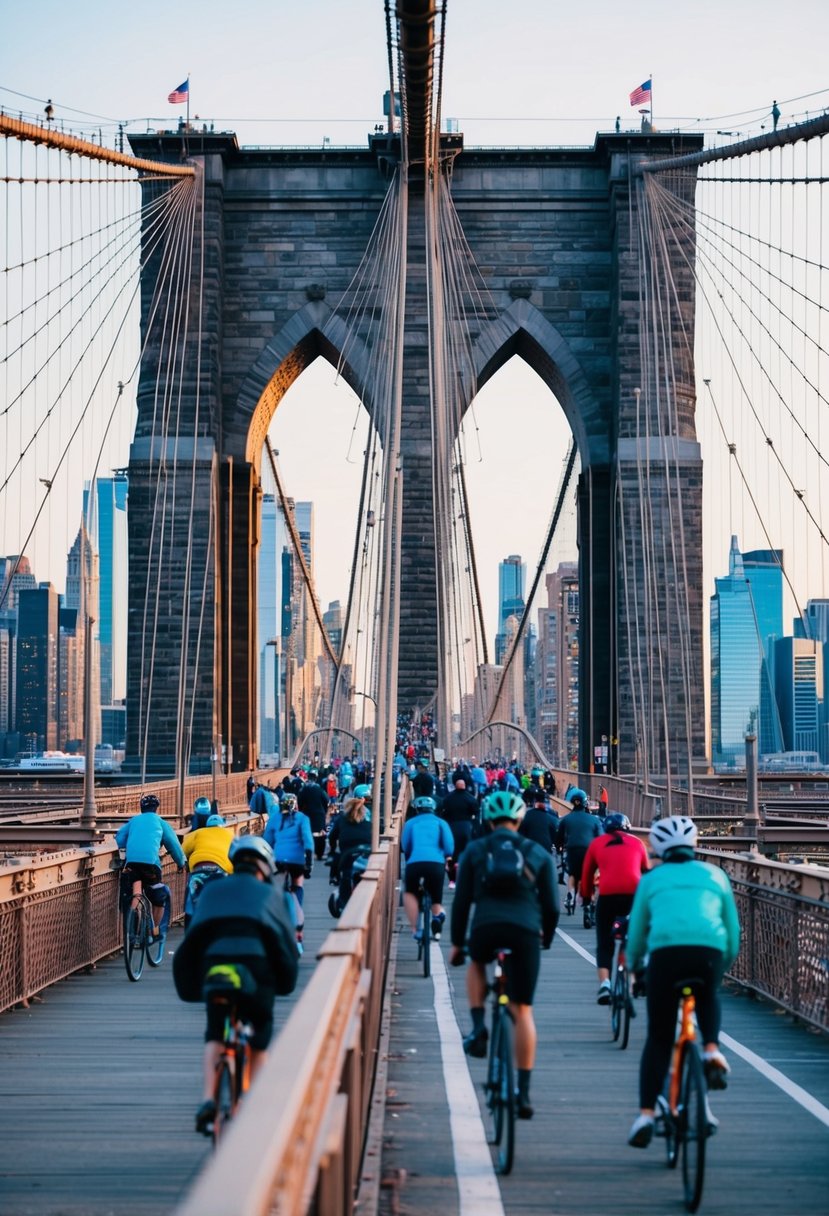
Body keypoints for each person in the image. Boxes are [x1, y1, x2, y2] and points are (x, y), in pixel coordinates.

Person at [625, 815, 740, 1149]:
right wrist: (722, 967)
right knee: (707, 995)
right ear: (695, 846)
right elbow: (732, 931)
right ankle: (711, 1050)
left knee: (660, 1039)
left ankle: (646, 1114)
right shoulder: (716, 875)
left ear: (658, 849)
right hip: (708, 953)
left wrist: (634, 968)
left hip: (665, 955)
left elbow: (636, 935)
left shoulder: (652, 879)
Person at [172, 835, 299, 1134]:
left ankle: (208, 1099)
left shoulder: (213, 890)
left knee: (215, 1033)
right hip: (257, 970)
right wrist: (285, 982)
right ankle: (253, 1106)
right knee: (259, 1035)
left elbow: (194, 938)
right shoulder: (273, 896)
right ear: (265, 868)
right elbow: (285, 946)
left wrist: (191, 986)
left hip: (215, 969)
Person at [449, 790, 559, 1119]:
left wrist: (457, 943)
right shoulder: (537, 854)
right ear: (520, 819)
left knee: (476, 962)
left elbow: (462, 901)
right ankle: (523, 1093)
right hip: (525, 933)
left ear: (488, 819)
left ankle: (479, 1026)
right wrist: (547, 937)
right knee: (522, 1010)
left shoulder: (475, 851)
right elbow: (552, 906)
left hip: (485, 928)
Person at [579, 812, 649, 1003]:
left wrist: (586, 897)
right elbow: (647, 872)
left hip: (608, 896)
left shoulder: (597, 843)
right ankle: (638, 974)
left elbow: (586, 875)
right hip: (633, 896)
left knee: (604, 942)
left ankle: (605, 985)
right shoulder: (637, 843)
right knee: (639, 934)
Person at [115, 793, 186, 940]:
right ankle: (152, 932)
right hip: (150, 865)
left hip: (131, 863)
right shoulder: (160, 822)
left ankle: (132, 931)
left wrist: (126, 848)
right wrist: (180, 863)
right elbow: (173, 845)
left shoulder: (133, 821)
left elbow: (120, 836)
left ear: (141, 808)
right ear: (156, 808)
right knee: (158, 897)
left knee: (135, 892)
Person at [264, 793, 314, 953]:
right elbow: (308, 840)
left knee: (277, 888)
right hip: (297, 861)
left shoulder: (274, 819)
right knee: (298, 885)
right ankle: (297, 911)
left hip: (278, 861)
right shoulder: (302, 818)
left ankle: (279, 915)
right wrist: (309, 863)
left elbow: (267, 841)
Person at [401, 795, 454, 941]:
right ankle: (438, 916)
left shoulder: (410, 823)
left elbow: (405, 846)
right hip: (436, 864)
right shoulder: (441, 823)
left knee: (410, 893)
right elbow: (449, 846)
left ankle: (416, 930)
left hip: (415, 863)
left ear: (417, 810)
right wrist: (445, 855)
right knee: (436, 899)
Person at [556, 787, 602, 924]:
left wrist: (559, 848)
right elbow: (601, 838)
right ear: (585, 803)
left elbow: (559, 838)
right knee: (590, 877)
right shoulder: (594, 820)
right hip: (589, 851)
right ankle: (590, 903)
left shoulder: (566, 819)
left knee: (573, 874)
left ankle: (570, 894)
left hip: (572, 850)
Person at [182, 813, 235, 929]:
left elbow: (183, 851)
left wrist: (183, 863)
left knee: (191, 903)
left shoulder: (198, 833)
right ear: (222, 825)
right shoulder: (231, 834)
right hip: (221, 871)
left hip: (198, 870)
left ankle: (189, 936)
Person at [327, 792, 373, 916]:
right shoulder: (368, 822)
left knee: (345, 875)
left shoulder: (341, 819)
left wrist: (332, 849)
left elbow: (332, 837)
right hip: (367, 854)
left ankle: (344, 904)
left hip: (349, 855)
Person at [438, 776, 479, 888]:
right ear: (465, 786)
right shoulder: (470, 798)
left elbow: (443, 813)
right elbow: (476, 813)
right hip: (466, 827)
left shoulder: (448, 798)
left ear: (455, 786)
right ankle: (467, 877)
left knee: (452, 854)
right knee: (467, 853)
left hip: (451, 828)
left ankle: (452, 880)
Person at [298, 775, 330, 860]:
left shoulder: (303, 789)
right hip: (319, 814)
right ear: (315, 779)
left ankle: (308, 851)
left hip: (307, 813)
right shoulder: (319, 789)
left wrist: (301, 810)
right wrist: (324, 810)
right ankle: (320, 853)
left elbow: (299, 801)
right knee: (320, 833)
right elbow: (326, 800)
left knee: (307, 832)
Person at [519, 788, 559, 853]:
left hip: (530, 850)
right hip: (545, 850)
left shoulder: (525, 815)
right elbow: (555, 834)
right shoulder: (551, 815)